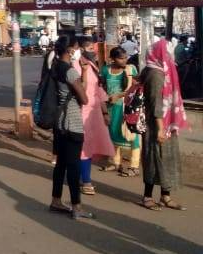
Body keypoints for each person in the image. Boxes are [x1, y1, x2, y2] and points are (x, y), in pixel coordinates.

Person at [139, 39, 189, 211]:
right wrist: (160, 128)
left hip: (167, 123)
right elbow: (156, 103)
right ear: (160, 54)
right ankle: (147, 196)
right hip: (157, 125)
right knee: (154, 159)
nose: (170, 55)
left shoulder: (162, 70)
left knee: (168, 159)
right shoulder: (156, 74)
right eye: (167, 52)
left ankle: (165, 196)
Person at [47, 36, 93, 219]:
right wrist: (80, 75)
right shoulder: (69, 71)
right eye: (76, 47)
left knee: (61, 165)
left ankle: (56, 200)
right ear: (70, 50)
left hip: (59, 122)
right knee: (73, 167)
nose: (78, 50)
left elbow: (75, 88)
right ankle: (76, 206)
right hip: (72, 122)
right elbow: (84, 98)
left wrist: (84, 72)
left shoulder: (55, 66)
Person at [76, 50, 115, 196]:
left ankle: (82, 176)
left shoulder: (93, 66)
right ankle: (86, 180)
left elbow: (99, 91)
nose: (93, 52)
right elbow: (82, 90)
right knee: (84, 146)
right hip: (82, 111)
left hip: (95, 112)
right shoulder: (76, 66)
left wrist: (105, 113)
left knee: (91, 146)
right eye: (88, 47)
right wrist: (84, 71)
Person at [100, 46, 139, 177]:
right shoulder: (106, 70)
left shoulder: (131, 69)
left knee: (132, 136)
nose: (124, 60)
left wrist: (119, 95)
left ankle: (134, 165)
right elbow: (102, 86)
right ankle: (116, 162)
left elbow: (135, 89)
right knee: (113, 134)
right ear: (112, 59)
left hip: (127, 107)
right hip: (111, 107)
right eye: (120, 58)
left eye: (125, 57)